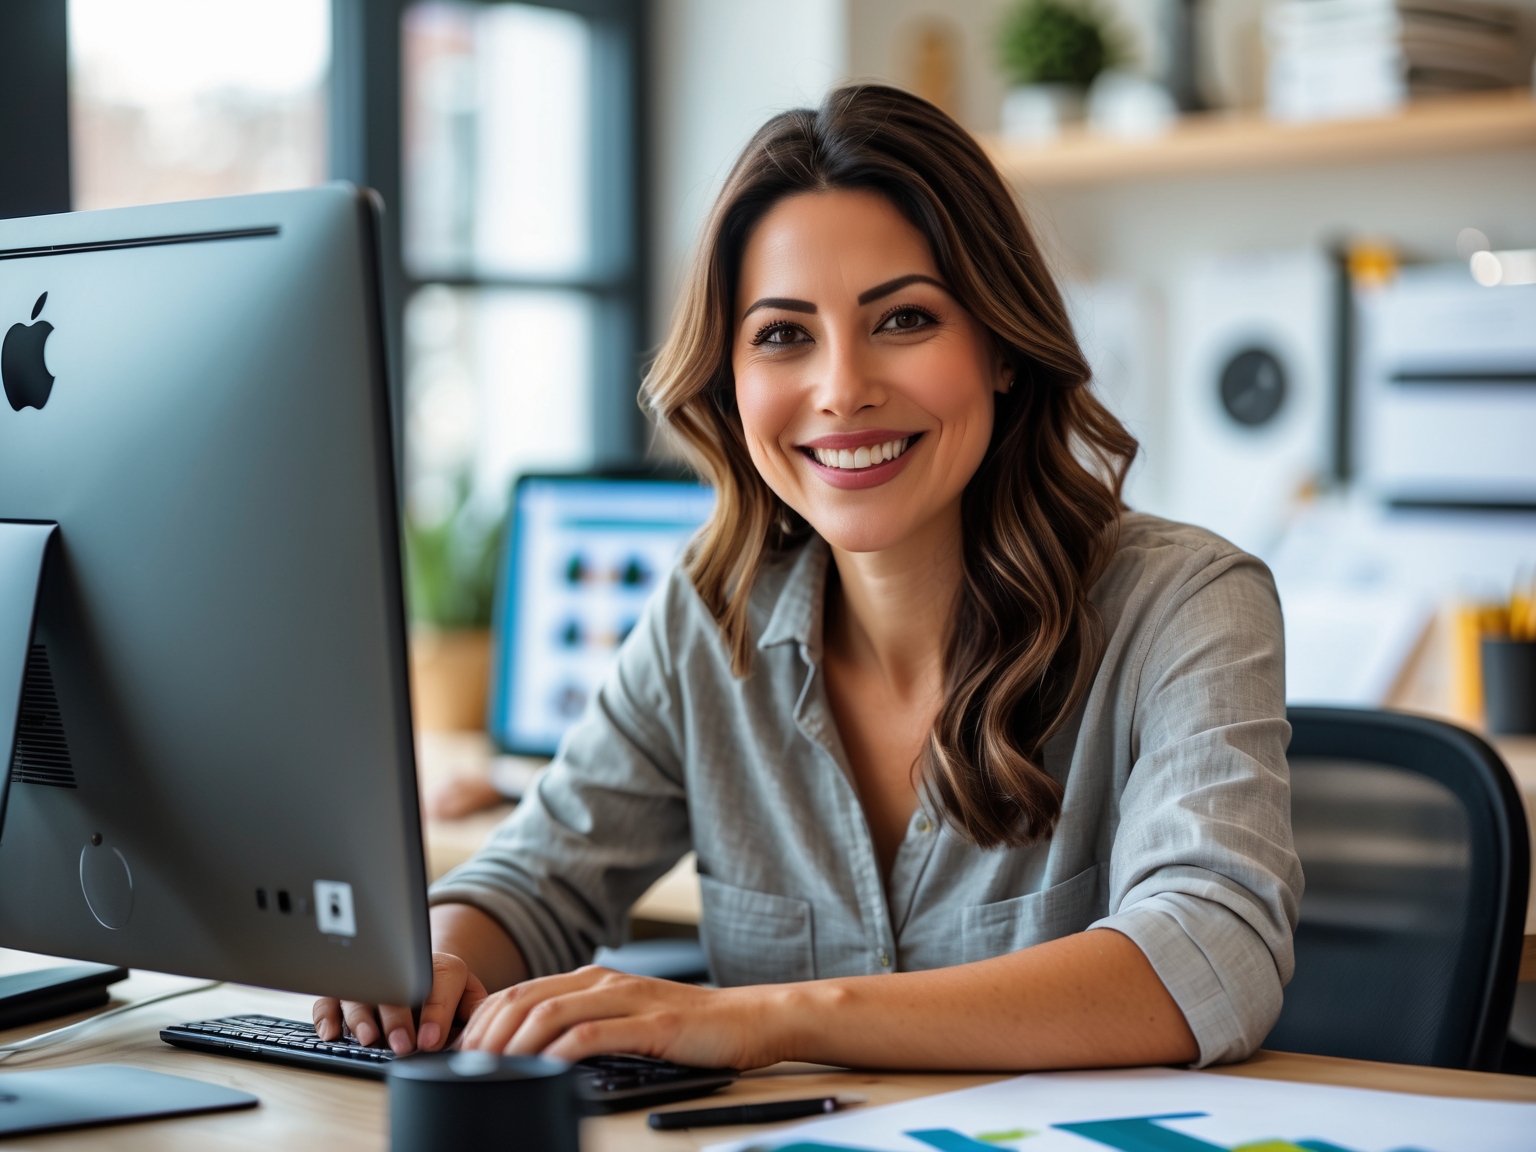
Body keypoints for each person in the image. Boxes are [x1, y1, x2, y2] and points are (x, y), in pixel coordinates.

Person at [316, 84, 1301, 1072]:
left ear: (1000, 347)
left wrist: (767, 1017)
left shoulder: (1187, 604)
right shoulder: (711, 615)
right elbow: (532, 882)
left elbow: (1211, 953)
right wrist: (429, 964)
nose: (843, 390)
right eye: (784, 335)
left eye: (905, 319)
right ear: (729, 380)